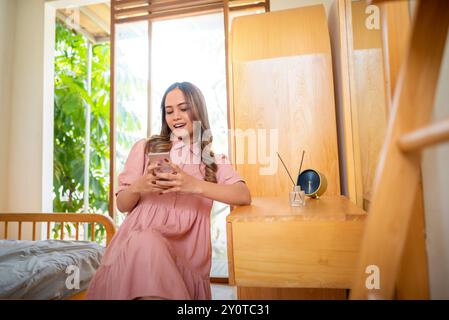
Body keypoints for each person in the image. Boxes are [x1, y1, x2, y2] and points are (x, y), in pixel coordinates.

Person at [86, 82, 251, 300]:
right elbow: (122, 205)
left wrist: (194, 185)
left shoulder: (212, 161)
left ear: (198, 110)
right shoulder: (146, 149)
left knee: (149, 250)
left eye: (184, 108)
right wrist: (139, 186)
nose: (176, 116)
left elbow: (243, 195)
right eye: (169, 111)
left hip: (186, 254)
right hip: (138, 242)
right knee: (146, 242)